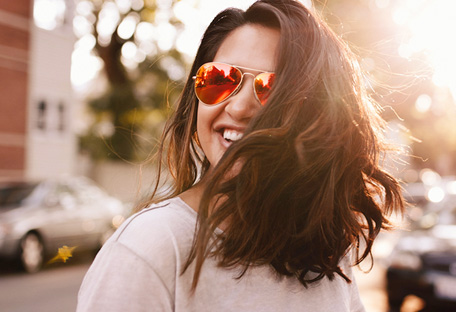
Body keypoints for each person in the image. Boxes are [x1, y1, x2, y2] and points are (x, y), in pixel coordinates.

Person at [77, 0, 404, 311]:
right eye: (219, 79)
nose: (238, 106)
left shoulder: (324, 253)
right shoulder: (148, 248)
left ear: (319, 118)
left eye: (272, 89)